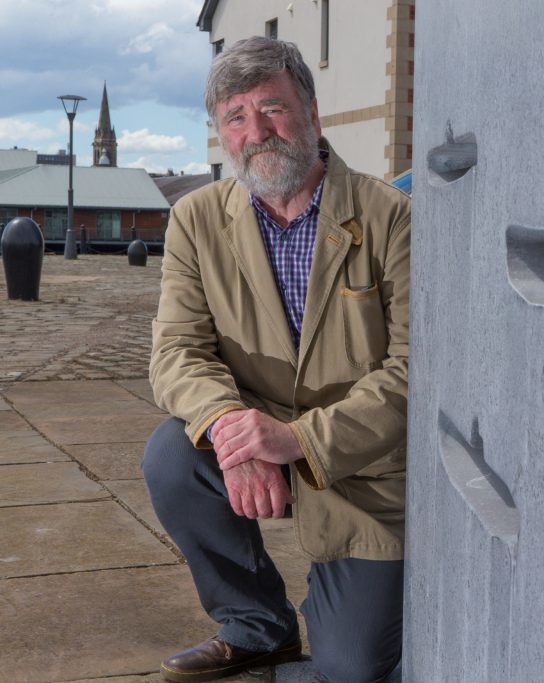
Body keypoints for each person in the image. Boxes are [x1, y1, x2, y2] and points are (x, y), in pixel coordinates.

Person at [142, 36, 409, 682]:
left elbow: (412, 371)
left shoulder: (390, 217)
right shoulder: (195, 221)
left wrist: (296, 438)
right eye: (235, 117)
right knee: (173, 454)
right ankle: (257, 624)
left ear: (311, 114)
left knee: (352, 668)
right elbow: (176, 351)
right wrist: (234, 430)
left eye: (272, 109)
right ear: (219, 133)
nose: (255, 131)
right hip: (256, 443)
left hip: (361, 471)